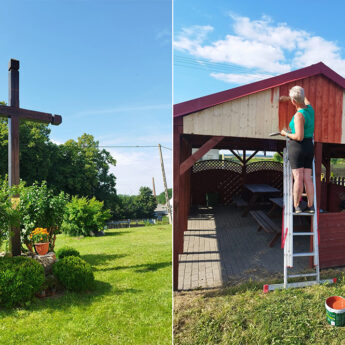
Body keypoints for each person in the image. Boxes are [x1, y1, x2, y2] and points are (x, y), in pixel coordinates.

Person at [280, 85, 315, 214]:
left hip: (298, 147)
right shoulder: (310, 109)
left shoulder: (299, 116)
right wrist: (291, 97)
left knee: (298, 178)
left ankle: (297, 206)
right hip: (309, 147)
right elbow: (305, 99)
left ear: (293, 101)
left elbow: (299, 137)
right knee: (307, 178)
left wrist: (285, 133)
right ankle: (311, 206)